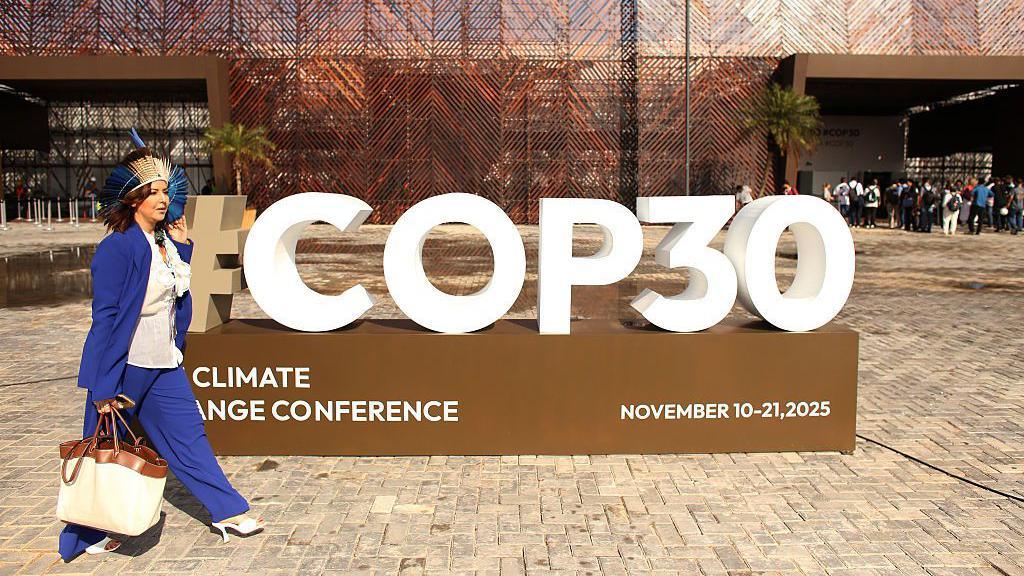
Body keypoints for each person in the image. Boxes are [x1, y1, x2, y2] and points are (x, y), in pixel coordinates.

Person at [59, 129, 265, 562]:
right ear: (132, 198)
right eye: (152, 192)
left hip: (164, 362)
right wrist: (103, 386)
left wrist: (184, 247)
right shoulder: (116, 250)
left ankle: (227, 511)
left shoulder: (166, 244)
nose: (161, 198)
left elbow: (175, 292)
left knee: (189, 436)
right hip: (125, 367)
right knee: (102, 449)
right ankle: (85, 533)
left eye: (164, 191)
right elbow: (105, 320)